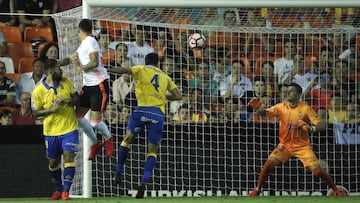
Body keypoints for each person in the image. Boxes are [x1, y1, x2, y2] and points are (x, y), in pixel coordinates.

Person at [247, 83, 347, 197]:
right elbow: (265, 113)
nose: (287, 92)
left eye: (291, 91)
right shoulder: (281, 107)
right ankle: (257, 189)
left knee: (318, 171)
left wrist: (310, 128)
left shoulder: (305, 108)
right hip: (285, 145)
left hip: (302, 147)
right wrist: (258, 107)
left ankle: (335, 189)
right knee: (268, 164)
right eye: (287, 90)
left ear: (298, 94)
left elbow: (322, 125)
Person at [107, 52, 182, 198]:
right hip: (157, 114)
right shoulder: (165, 76)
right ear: (158, 64)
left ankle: (118, 173)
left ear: (146, 61)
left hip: (141, 110)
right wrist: (164, 96)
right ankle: (144, 182)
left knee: (127, 140)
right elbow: (178, 96)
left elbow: (125, 70)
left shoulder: (141, 69)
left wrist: (107, 69)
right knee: (152, 151)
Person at [60, 18, 114, 160]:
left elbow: (95, 62)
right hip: (88, 87)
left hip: (98, 84)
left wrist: (79, 67)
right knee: (77, 117)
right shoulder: (84, 44)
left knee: (95, 122)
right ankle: (96, 143)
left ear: (79, 30)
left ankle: (109, 139)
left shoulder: (91, 41)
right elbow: (71, 58)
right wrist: (58, 63)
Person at [31, 59, 80, 200]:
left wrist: (67, 101)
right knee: (53, 162)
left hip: (69, 128)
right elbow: (35, 112)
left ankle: (66, 191)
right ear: (51, 71)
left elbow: (77, 100)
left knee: (69, 156)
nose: (62, 70)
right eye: (59, 68)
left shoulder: (66, 82)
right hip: (51, 132)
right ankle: (58, 189)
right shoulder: (38, 90)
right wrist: (51, 109)